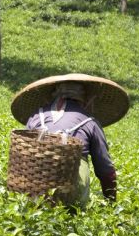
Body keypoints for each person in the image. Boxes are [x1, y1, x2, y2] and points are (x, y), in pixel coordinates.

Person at [11, 73, 130, 207]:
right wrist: (111, 203)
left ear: (53, 96)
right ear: (84, 100)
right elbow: (106, 171)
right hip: (71, 193)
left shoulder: (36, 116)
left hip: (31, 187)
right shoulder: (90, 122)